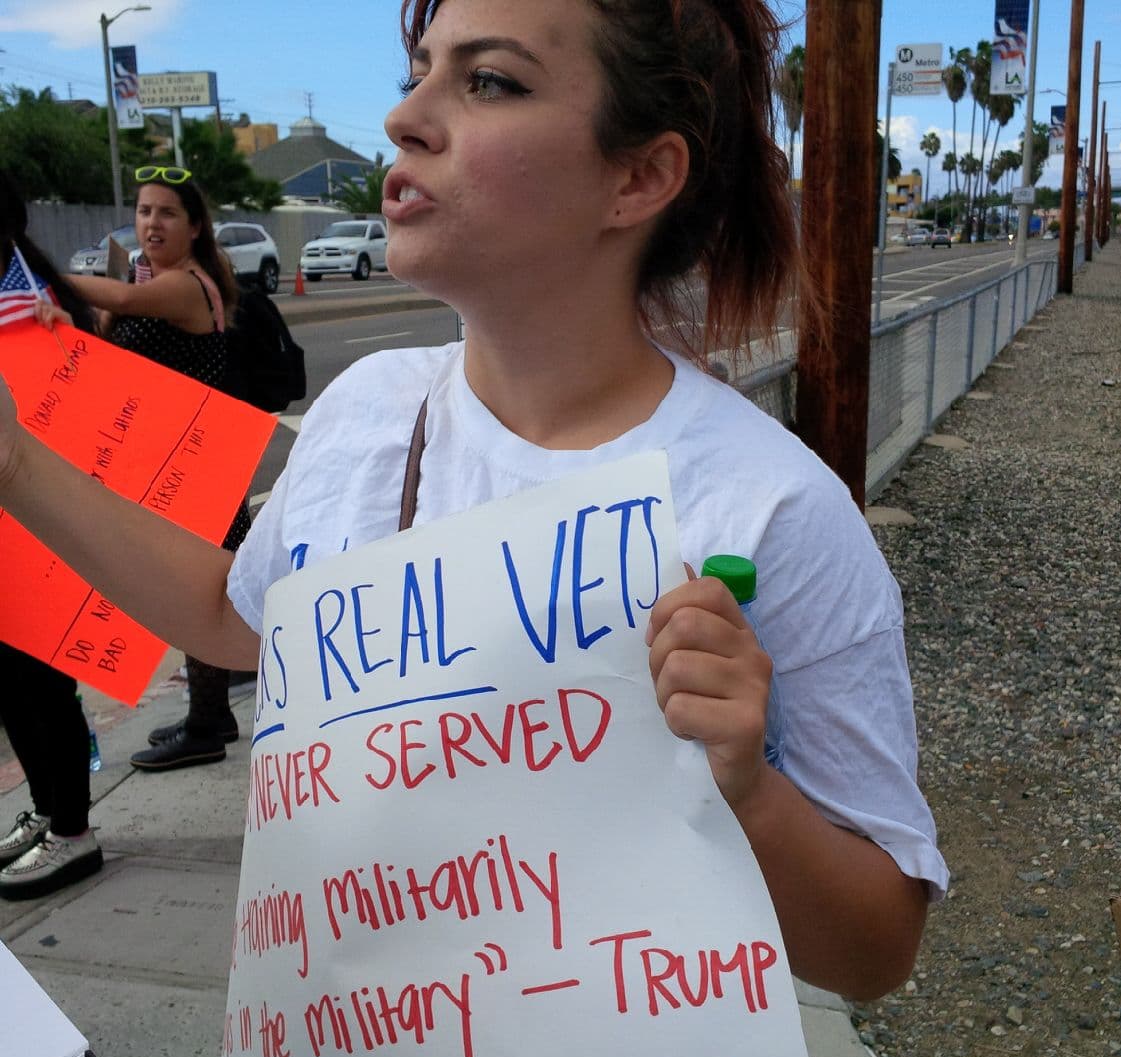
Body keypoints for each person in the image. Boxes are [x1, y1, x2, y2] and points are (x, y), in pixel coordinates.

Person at [0, 0, 947, 1000]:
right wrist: (17, 468)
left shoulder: (770, 508)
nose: (406, 117)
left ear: (638, 178)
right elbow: (231, 616)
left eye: (488, 81)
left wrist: (747, 789)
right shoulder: (365, 410)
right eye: (420, 69)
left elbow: (876, 951)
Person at [68, 167, 251, 772]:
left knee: (199, 593)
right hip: (184, 459)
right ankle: (212, 711)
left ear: (196, 227)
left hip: (199, 462)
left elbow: (118, 301)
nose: (151, 223)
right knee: (205, 590)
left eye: (167, 213)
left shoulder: (187, 286)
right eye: (144, 212)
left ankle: (208, 722)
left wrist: (45, 279)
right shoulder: (161, 280)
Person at [0, 170, 103, 901]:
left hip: (35, 522)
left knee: (41, 683)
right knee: (11, 685)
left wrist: (59, 336)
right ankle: (44, 811)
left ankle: (73, 831)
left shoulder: (36, 299)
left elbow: (80, 399)